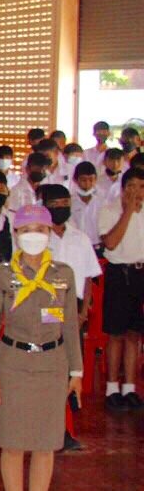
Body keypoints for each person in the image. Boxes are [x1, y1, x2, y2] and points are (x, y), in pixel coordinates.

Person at [0, 206, 80, 491]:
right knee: (13, 442)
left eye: (40, 229)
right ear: (16, 234)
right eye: (26, 230)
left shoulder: (63, 273)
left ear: (50, 234)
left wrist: (76, 370)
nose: (33, 235)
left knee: (45, 444)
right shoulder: (3, 275)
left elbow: (71, 326)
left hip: (52, 364)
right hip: (12, 363)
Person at [98, 168, 144, 411]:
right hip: (119, 274)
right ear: (123, 188)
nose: (137, 192)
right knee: (116, 334)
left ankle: (130, 388)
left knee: (134, 334)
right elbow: (111, 243)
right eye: (132, 186)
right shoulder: (109, 209)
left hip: (140, 273)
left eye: (142, 187)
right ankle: (112, 388)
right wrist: (127, 212)